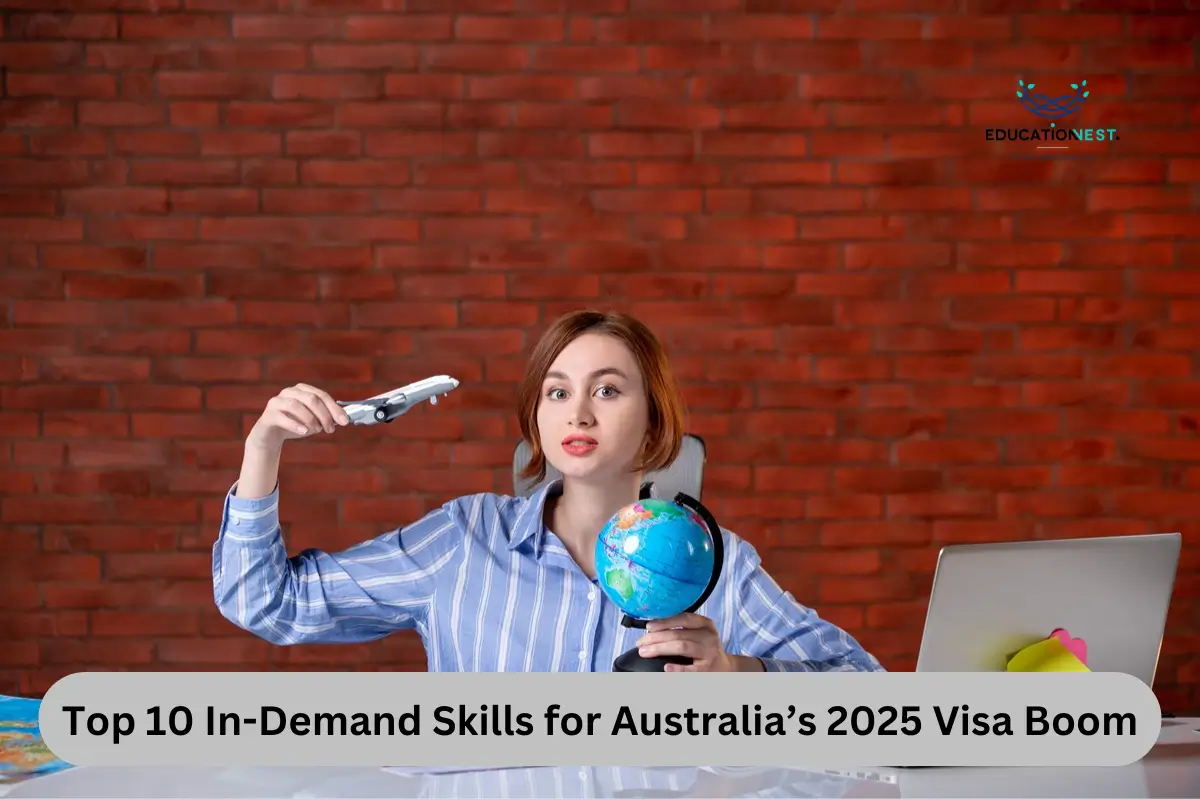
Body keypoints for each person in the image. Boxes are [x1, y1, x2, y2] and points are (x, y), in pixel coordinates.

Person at [213, 309, 884, 673]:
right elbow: (265, 602)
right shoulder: (464, 540)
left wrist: (739, 676)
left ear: (654, 419)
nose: (579, 412)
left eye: (609, 389)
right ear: (537, 417)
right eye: (557, 391)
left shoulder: (717, 564)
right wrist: (262, 446)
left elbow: (863, 691)